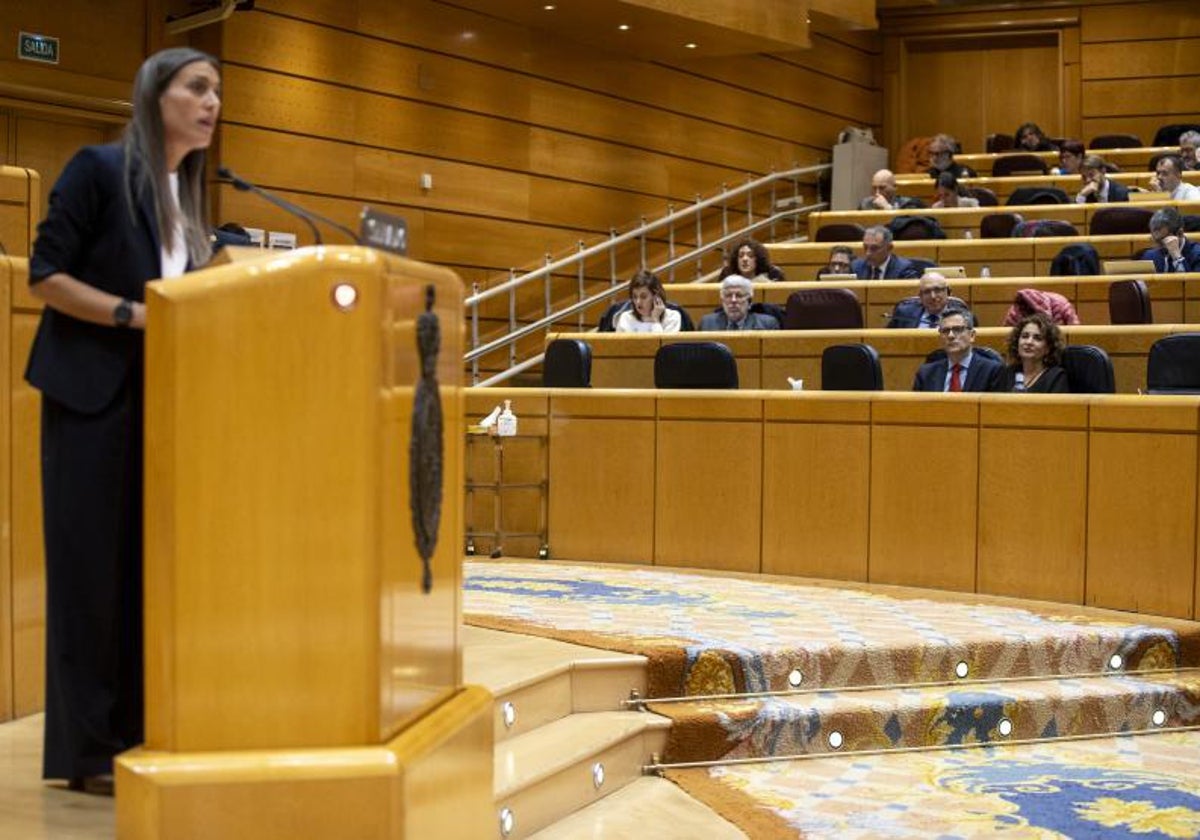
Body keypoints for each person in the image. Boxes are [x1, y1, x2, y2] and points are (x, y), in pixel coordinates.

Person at [24, 47, 221, 794]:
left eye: (218, 92)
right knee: (89, 577)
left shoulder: (185, 199)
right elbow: (45, 275)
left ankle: (136, 731)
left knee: (145, 572)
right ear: (154, 95)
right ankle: (86, 753)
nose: (211, 103)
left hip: (161, 406)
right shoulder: (97, 169)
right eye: (196, 88)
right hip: (89, 400)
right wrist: (136, 315)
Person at [912, 305, 1005, 392]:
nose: (951, 335)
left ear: (972, 335)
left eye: (957, 329)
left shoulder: (992, 371)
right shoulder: (926, 374)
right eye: (945, 331)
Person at [1000, 312, 1069, 393]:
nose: (1029, 342)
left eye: (1037, 338)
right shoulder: (1007, 373)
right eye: (1025, 336)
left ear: (1048, 348)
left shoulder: (1056, 377)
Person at [699, 275, 779, 330]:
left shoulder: (767, 325)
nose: (733, 300)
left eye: (739, 296)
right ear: (722, 300)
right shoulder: (707, 323)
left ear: (749, 302)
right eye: (728, 295)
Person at [613, 270, 681, 333]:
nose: (638, 302)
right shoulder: (626, 318)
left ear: (656, 297)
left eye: (643, 297)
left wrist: (655, 320)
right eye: (635, 297)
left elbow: (662, 345)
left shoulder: (672, 318)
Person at [1139, 206, 1200, 273]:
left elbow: (1192, 283)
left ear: (1180, 233)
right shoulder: (1149, 256)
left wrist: (1177, 257)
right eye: (1155, 240)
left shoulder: (1197, 255)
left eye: (1162, 241)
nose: (1158, 246)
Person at [852, 225, 921, 280]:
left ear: (889, 248)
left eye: (874, 248)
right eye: (865, 247)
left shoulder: (903, 269)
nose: (868, 253)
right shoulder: (856, 267)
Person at [888, 273, 953, 328]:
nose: (933, 296)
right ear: (920, 296)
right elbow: (887, 339)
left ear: (948, 292)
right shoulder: (904, 315)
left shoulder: (961, 315)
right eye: (927, 292)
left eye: (937, 290)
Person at [859, 169, 925, 211]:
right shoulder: (865, 204)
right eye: (874, 188)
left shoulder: (907, 204)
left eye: (882, 188)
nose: (877, 193)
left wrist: (887, 207)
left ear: (895, 187)